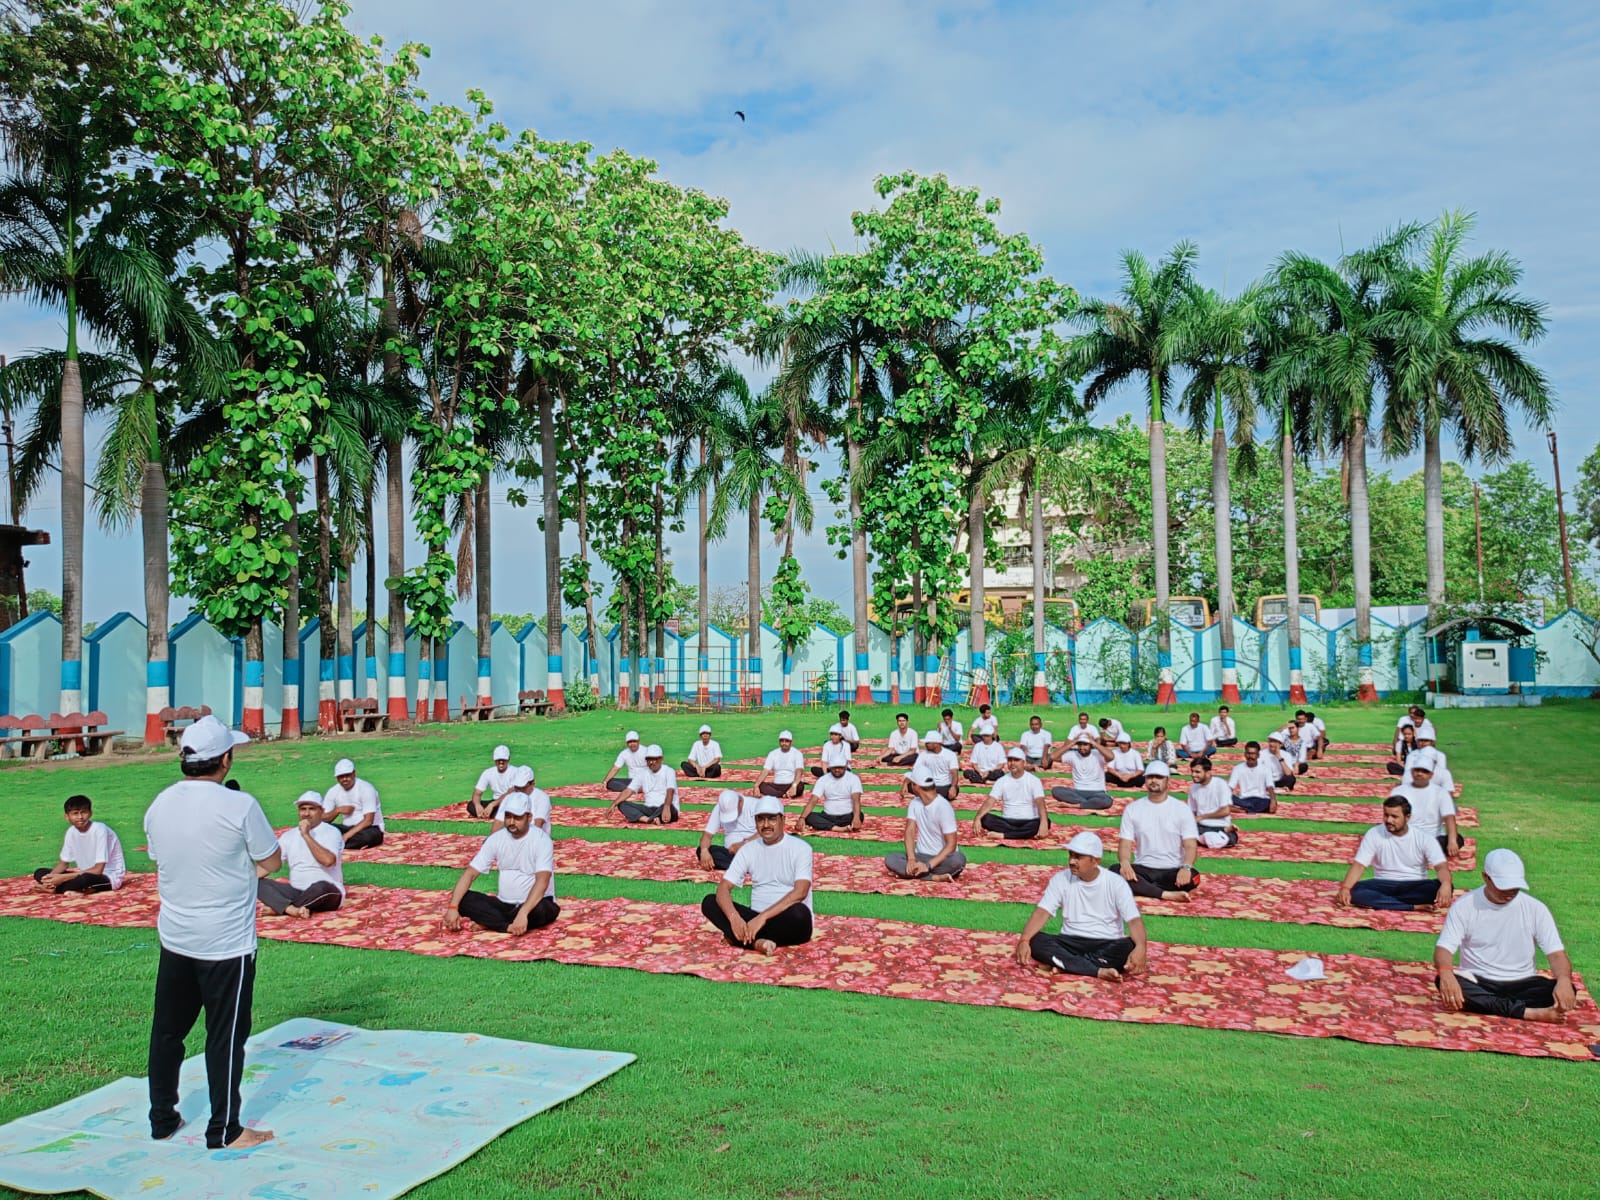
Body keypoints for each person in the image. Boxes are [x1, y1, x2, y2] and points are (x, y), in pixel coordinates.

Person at [144, 715, 278, 1150]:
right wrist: (239, 872)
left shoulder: (159, 803)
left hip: (177, 937)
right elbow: (271, 861)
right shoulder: (240, 806)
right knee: (226, 1037)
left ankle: (162, 1117)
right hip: (226, 943)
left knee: (167, 1032)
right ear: (225, 759)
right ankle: (225, 1130)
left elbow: (161, 857)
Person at [1434, 848, 1576, 1023]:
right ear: (1486, 877)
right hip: (1479, 981)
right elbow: (1444, 949)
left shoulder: (1536, 909)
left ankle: (1495, 1006)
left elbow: (1556, 955)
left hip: (1523, 983)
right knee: (1445, 981)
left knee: (1563, 989)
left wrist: (1563, 980)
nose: (1509, 892)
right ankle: (1528, 1013)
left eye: (1514, 887)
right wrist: (1446, 973)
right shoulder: (1465, 906)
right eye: (1504, 887)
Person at [1015, 831, 1147, 980]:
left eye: (1078, 857)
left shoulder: (1116, 883)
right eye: (1071, 855)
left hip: (1107, 942)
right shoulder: (1060, 879)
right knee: (1036, 941)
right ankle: (1096, 970)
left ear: (1095, 860)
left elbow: (1134, 920)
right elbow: (1041, 913)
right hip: (1071, 941)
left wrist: (1141, 947)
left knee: (1128, 946)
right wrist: (1024, 940)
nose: (1072, 861)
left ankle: (1068, 964)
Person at [701, 796, 814, 954]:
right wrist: (734, 918)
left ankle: (739, 938)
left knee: (800, 914)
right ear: (755, 822)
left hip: (786, 918)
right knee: (710, 902)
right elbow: (723, 888)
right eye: (761, 819)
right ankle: (756, 942)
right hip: (753, 917)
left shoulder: (801, 848)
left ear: (783, 819)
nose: (766, 824)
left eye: (771, 819)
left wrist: (763, 918)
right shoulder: (748, 849)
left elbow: (800, 892)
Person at [443, 793, 560, 935]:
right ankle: (506, 925)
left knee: (543, 910)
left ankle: (493, 922)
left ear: (529, 818)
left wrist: (523, 913)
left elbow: (542, 882)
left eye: (517, 818)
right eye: (508, 816)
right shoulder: (496, 839)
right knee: (463, 900)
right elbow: (470, 873)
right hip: (504, 904)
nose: (511, 822)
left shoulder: (542, 840)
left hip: (534, 906)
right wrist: (453, 908)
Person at [1334, 796, 1453, 912]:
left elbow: (1441, 867)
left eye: (1394, 816)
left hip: (1414, 884)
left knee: (1439, 887)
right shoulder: (1374, 833)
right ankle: (1412, 907)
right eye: (1386, 815)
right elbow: (1359, 865)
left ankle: (1386, 903)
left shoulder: (1424, 838)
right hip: (1382, 884)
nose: (1389, 820)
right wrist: (1345, 888)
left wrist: (1446, 884)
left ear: (1407, 817)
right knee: (1354, 891)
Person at [1116, 761, 1200, 901]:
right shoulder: (1133, 809)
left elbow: (1190, 845)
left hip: (1173, 870)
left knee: (1193, 877)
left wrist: (1185, 867)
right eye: (1150, 777)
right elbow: (1125, 844)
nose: (1154, 780)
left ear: (1168, 781)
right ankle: (1165, 894)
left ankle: (1144, 888)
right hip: (1143, 868)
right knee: (1114, 871)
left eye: (1159, 777)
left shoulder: (1182, 809)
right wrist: (1125, 863)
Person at [257, 791, 344, 918]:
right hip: (296, 891)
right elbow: (271, 864)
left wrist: (306, 835)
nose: (306, 814)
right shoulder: (288, 836)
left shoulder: (331, 832)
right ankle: (290, 908)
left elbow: (328, 861)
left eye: (311, 809)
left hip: (326, 891)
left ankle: (281, 908)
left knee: (322, 887)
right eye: (303, 809)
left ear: (321, 811)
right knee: (256, 882)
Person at [34, 794, 126, 895]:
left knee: (84, 880)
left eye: (84, 812)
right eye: (75, 814)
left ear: (90, 813)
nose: (80, 817)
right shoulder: (71, 832)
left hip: (107, 876)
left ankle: (57, 889)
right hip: (82, 873)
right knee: (40, 872)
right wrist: (49, 879)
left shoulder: (100, 830)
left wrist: (62, 878)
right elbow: (63, 864)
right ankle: (71, 889)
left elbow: (98, 870)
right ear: (67, 817)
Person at [885, 768, 967, 880]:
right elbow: (909, 832)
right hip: (921, 856)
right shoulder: (915, 803)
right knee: (891, 859)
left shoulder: (943, 807)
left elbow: (951, 844)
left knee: (958, 860)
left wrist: (928, 865)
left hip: (941, 859)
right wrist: (911, 859)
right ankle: (933, 877)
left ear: (916, 786)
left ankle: (915, 873)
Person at [1389, 753, 1462, 858]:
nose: (1420, 774)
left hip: (1433, 838)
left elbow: (1449, 818)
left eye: (1424, 771)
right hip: (1406, 836)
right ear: (1412, 771)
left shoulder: (1441, 793)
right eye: (1417, 770)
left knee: (1457, 839)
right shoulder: (1399, 791)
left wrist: (1452, 841)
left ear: (1431, 775)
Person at [971, 749, 1050, 840]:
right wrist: (978, 818)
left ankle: (1004, 835)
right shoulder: (1001, 781)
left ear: (1023, 763)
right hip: (1007, 821)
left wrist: (1043, 823)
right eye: (1010, 760)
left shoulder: (1034, 780)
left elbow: (1041, 804)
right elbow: (990, 801)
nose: (1012, 763)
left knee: (1045, 822)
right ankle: (1021, 834)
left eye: (1016, 760)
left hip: (1029, 820)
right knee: (985, 819)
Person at [328, 758, 384, 849]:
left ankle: (334, 843)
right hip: (346, 827)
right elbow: (323, 819)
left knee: (368, 837)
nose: (345, 779)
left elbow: (368, 821)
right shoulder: (333, 791)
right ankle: (338, 843)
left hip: (369, 829)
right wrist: (337, 811)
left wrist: (347, 836)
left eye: (347, 775)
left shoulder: (366, 789)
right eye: (341, 776)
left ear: (354, 773)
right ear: (336, 777)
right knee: (320, 828)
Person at [697, 789, 759, 871]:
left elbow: (766, 833)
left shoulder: (756, 806)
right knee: (701, 850)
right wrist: (704, 851)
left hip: (754, 851)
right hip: (731, 854)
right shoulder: (719, 808)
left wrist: (743, 844)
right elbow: (707, 835)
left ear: (740, 801)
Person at [615, 745, 678, 824]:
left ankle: (651, 818)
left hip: (666, 807)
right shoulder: (642, 772)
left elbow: (670, 791)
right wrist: (614, 804)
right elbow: (629, 790)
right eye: (649, 759)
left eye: (654, 759)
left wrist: (667, 806)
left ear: (661, 759)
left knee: (668, 807)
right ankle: (647, 819)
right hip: (649, 809)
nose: (652, 762)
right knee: (622, 804)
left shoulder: (669, 771)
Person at [1050, 733, 1113, 810]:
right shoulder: (1073, 755)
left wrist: (1095, 743)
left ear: (1090, 745)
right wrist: (1071, 744)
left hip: (1097, 792)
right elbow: (1053, 756)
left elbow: (1111, 756)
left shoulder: (1097, 754)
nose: (1082, 747)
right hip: (1078, 792)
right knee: (1056, 791)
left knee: (1106, 801)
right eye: (1080, 745)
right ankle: (1088, 803)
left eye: (1085, 744)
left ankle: (1074, 805)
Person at [1184, 756, 1236, 849]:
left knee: (1216, 838)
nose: (1193, 774)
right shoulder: (1193, 788)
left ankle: (1203, 838)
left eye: (1197, 772)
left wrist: (1202, 817)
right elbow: (1192, 811)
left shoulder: (1220, 784)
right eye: (1192, 771)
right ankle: (1199, 838)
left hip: (1219, 827)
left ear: (1208, 773)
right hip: (1200, 827)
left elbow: (1225, 811)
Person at [798, 761, 864, 832]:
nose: (837, 770)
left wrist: (856, 817)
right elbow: (813, 800)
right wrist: (802, 818)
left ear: (845, 767)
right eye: (835, 767)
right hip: (828, 816)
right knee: (808, 816)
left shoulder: (853, 779)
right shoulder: (823, 780)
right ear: (830, 767)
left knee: (860, 815)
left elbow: (856, 800)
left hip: (846, 816)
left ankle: (826, 825)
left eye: (840, 767)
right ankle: (837, 828)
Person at [902, 730, 959, 799]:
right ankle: (931, 795)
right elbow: (915, 771)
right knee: (910, 786)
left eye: (928, 743)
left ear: (936, 743)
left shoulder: (950, 755)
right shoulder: (923, 755)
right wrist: (905, 783)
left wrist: (953, 787)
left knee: (953, 789)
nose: (925, 744)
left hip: (945, 786)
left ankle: (928, 795)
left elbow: (954, 773)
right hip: (929, 785)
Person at [1227, 741, 1278, 814]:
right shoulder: (1238, 768)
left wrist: (1273, 800)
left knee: (1269, 802)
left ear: (1258, 755)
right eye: (1248, 753)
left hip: (1260, 799)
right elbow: (1230, 787)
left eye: (1253, 754)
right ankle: (1248, 808)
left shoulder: (1266, 768)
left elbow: (1270, 787)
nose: (1250, 756)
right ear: (1245, 754)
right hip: (1244, 799)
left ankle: (1242, 810)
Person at [755, 731, 808, 798]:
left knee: (800, 786)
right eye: (782, 741)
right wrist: (756, 786)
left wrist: (794, 786)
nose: (784, 743)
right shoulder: (773, 753)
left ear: (791, 742)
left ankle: (779, 794)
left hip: (791, 784)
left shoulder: (797, 754)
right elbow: (765, 770)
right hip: (777, 785)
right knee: (761, 785)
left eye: (787, 741)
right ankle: (782, 795)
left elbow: (799, 771)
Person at [468, 746, 517, 816]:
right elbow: (477, 793)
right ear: (494, 760)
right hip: (495, 802)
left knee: (511, 807)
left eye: (504, 759)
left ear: (508, 759)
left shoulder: (515, 772)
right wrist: (477, 805)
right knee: (471, 805)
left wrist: (492, 805)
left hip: (510, 801)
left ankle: (494, 814)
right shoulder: (488, 772)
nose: (501, 762)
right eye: (498, 759)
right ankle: (490, 813)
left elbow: (511, 793)